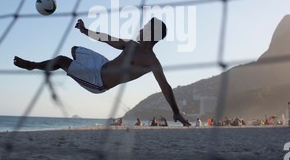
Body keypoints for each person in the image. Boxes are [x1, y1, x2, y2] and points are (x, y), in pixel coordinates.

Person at [14, 17, 190, 126]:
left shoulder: (152, 61)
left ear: (151, 33)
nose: (141, 29)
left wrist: (176, 111)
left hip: (98, 81)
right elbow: (106, 39)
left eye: (145, 27)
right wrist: (85, 31)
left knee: (60, 60)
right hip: (101, 64)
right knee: (74, 50)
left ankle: (33, 65)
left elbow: (165, 87)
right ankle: (67, 65)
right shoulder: (130, 45)